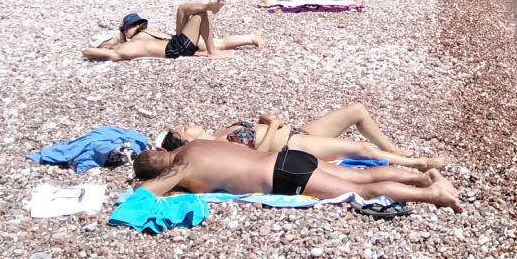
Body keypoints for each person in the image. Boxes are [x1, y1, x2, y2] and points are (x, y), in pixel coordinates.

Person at [132, 140, 461, 211]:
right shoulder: (193, 146)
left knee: (365, 190)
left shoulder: (180, 169)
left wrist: (144, 183)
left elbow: (144, 197)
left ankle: (434, 195)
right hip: (287, 156)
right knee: (365, 176)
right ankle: (422, 176)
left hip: (282, 176)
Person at [159, 104, 446, 172]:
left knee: (356, 110)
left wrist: (266, 122)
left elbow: (253, 134)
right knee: (360, 149)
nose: (189, 123)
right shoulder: (214, 146)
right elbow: (255, 156)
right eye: (183, 129)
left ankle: (395, 149)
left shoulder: (219, 133)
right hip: (292, 145)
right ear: (186, 142)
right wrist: (272, 126)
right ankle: (418, 163)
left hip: (298, 132)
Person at [82, 0, 262, 62]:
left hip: (175, 43)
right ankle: (212, 49)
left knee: (182, 8)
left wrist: (111, 44)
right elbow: (89, 51)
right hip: (175, 48)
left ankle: (211, 7)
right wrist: (105, 49)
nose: (127, 30)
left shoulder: (136, 38)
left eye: (130, 27)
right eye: (126, 28)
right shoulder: (121, 50)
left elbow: (89, 51)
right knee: (200, 16)